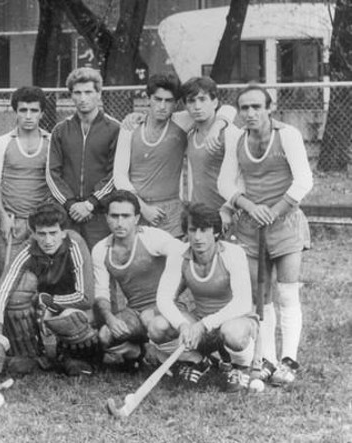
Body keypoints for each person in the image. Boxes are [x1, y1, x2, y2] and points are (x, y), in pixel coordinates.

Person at [218, 84, 313, 385]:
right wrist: (249, 206)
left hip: (285, 223)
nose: (250, 113)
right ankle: (268, 359)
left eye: (256, 107)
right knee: (261, 297)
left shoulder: (288, 135)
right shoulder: (237, 139)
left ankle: (289, 361)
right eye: (244, 107)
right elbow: (224, 183)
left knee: (287, 292)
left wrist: (273, 211)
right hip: (251, 226)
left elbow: (303, 181)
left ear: (269, 108)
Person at [149, 203, 258, 392]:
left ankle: (240, 367)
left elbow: (243, 302)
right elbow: (163, 299)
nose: (198, 237)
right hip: (200, 323)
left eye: (204, 230)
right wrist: (182, 325)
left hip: (234, 322)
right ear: (186, 232)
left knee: (232, 332)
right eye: (193, 230)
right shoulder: (179, 254)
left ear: (216, 231)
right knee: (157, 327)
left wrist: (204, 325)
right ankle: (197, 361)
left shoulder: (233, 253)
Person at [113, 73, 234, 237]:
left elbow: (228, 109)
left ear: (177, 103)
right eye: (157, 99)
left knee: (175, 251)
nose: (162, 106)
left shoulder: (181, 121)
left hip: (170, 211)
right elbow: (119, 176)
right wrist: (142, 207)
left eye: (168, 101)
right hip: (135, 208)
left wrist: (217, 127)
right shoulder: (131, 126)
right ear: (148, 99)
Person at [0, 202, 98, 376]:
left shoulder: (74, 243)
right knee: (17, 293)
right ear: (33, 233)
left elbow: (86, 297)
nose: (48, 241)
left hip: (73, 305)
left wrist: (46, 303)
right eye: (42, 234)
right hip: (43, 304)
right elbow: (2, 291)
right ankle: (31, 354)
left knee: (71, 317)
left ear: (63, 232)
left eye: (53, 233)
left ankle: (72, 355)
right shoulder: (28, 248)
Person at [92, 190, 183, 368]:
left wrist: (165, 302)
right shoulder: (101, 249)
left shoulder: (152, 237)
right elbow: (101, 292)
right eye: (114, 216)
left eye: (126, 216)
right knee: (104, 335)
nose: (120, 223)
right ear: (106, 218)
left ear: (137, 218)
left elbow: (182, 255)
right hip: (135, 311)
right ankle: (135, 352)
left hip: (166, 309)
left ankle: (186, 359)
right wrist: (110, 318)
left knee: (154, 322)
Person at [46, 67, 119, 249]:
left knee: (98, 260)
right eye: (77, 93)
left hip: (99, 213)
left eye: (88, 92)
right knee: (67, 259)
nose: (83, 98)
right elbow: (52, 173)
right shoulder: (60, 130)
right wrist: (70, 204)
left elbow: (116, 173)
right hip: (67, 213)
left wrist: (91, 203)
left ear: (99, 94)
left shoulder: (114, 129)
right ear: (71, 95)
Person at [0, 86, 52, 275]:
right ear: (16, 112)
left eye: (34, 110)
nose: (28, 116)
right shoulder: (3, 142)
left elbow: (56, 182)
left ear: (42, 113)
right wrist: (2, 216)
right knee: (8, 276)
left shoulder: (51, 142)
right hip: (12, 221)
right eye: (23, 110)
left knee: (44, 278)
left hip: (42, 221)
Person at [181, 76, 243, 232]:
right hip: (200, 214)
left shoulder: (230, 133)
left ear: (215, 102)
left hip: (226, 215)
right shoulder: (190, 135)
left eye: (203, 99)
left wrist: (229, 209)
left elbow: (243, 176)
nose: (197, 106)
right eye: (191, 101)